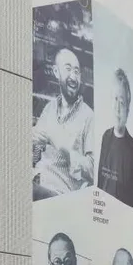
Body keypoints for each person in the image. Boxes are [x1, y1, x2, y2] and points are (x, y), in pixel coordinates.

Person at [33, 47, 96, 201]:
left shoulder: (89, 117)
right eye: (68, 69)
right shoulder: (50, 108)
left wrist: (65, 149)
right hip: (37, 179)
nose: (73, 77)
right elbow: (35, 140)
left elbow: (93, 171)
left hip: (59, 194)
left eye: (77, 71)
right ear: (56, 72)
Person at [97, 68, 133, 210]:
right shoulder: (105, 137)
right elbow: (100, 179)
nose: (117, 108)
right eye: (114, 99)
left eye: (121, 102)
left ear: (128, 110)